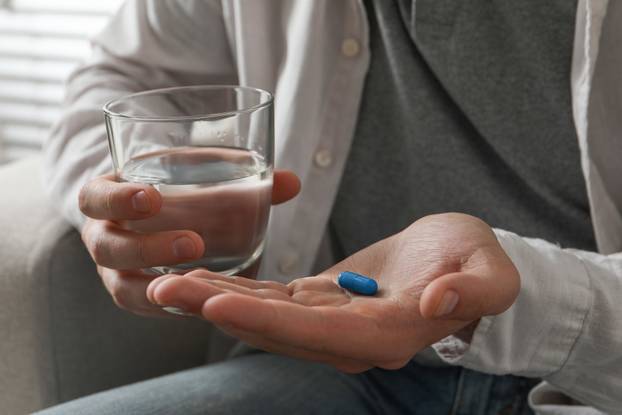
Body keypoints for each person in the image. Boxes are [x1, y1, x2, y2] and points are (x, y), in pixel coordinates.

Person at [38, 1, 622, 414]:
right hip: (332, 370)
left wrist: (530, 298)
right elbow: (118, 76)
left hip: (591, 384)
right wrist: (131, 207)